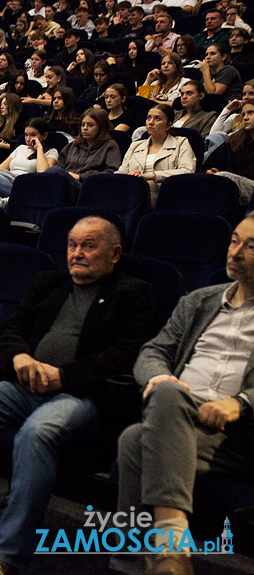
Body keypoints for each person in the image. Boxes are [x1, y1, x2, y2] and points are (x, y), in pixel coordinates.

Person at [0, 216, 154, 575]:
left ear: (115, 253)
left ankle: (7, 554)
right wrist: (20, 355)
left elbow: (128, 353)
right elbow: (10, 328)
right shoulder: (48, 283)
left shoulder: (134, 292)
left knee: (37, 433)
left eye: (89, 245)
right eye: (72, 244)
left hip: (82, 396)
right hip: (25, 387)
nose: (77, 253)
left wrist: (64, 376)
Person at [111, 214, 254, 575]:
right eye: (234, 240)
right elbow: (153, 353)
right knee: (166, 395)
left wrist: (240, 403)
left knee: (134, 441)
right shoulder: (199, 301)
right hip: (179, 411)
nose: (235, 252)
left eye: (250, 246)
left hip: (237, 434)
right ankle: (168, 555)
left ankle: (137, 561)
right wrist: (160, 378)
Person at [118, 104, 197, 205]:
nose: (150, 122)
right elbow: (121, 172)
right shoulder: (135, 145)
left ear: (168, 125)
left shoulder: (181, 143)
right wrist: (130, 176)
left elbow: (188, 171)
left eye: (157, 119)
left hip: (165, 193)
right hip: (132, 189)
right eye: (148, 118)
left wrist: (153, 176)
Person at [0, 118, 59, 197]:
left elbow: (44, 175)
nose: (28, 139)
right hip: (5, 179)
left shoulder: (51, 152)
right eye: (26, 135)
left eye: (33, 135)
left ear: (44, 135)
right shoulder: (21, 148)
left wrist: (39, 148)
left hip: (22, 187)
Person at [47, 109, 123, 188]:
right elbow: (60, 165)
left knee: (53, 171)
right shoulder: (74, 145)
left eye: (90, 125)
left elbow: (111, 172)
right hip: (66, 185)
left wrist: (80, 176)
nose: (85, 128)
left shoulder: (110, 146)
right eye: (83, 125)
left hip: (89, 188)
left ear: (101, 127)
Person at [205, 102, 254, 206]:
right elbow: (210, 163)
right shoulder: (235, 140)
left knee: (223, 178)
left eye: (250, 113)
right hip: (236, 189)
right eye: (243, 114)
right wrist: (209, 171)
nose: (245, 118)